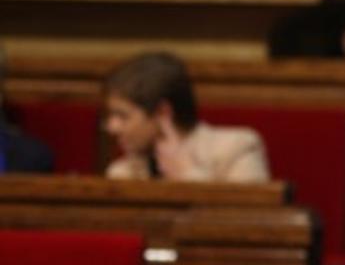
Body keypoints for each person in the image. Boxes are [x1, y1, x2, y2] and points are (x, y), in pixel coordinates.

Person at [103, 51, 269, 182]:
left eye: (122, 116)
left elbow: (248, 221)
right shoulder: (123, 172)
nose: (111, 127)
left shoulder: (237, 149)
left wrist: (186, 175)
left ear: (162, 112)